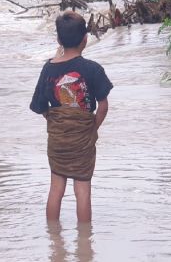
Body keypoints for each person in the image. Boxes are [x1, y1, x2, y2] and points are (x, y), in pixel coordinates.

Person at [30, 11, 112, 222]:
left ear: (58, 40)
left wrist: (57, 122)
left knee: (56, 188)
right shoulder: (92, 69)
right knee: (82, 190)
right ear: (85, 39)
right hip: (82, 138)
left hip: (58, 139)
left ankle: (54, 240)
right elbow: (103, 106)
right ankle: (85, 242)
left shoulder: (48, 69)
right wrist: (92, 128)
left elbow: (40, 106)